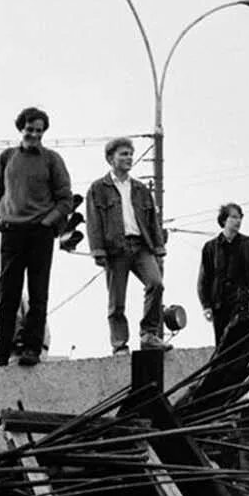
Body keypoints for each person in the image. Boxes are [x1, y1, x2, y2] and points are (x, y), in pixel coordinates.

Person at [0, 107, 73, 367]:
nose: (34, 134)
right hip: (11, 232)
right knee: (8, 295)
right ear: (21, 128)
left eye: (39, 130)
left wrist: (48, 223)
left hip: (40, 232)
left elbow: (65, 199)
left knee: (38, 293)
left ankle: (32, 348)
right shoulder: (7, 157)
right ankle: (2, 349)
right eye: (29, 129)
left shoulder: (52, 160)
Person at [85, 137, 167, 354]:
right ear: (110, 158)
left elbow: (152, 221)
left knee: (156, 284)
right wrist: (98, 251)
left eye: (130, 154)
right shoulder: (98, 189)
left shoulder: (140, 189)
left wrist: (159, 248)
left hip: (141, 246)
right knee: (117, 301)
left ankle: (149, 334)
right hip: (115, 249)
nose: (129, 158)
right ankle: (120, 344)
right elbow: (93, 222)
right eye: (123, 154)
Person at [197, 202, 249, 345]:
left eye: (240, 217)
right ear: (223, 220)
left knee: (240, 344)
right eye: (233, 217)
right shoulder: (210, 247)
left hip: (240, 303)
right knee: (221, 344)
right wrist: (206, 305)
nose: (238, 221)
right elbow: (204, 278)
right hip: (219, 304)